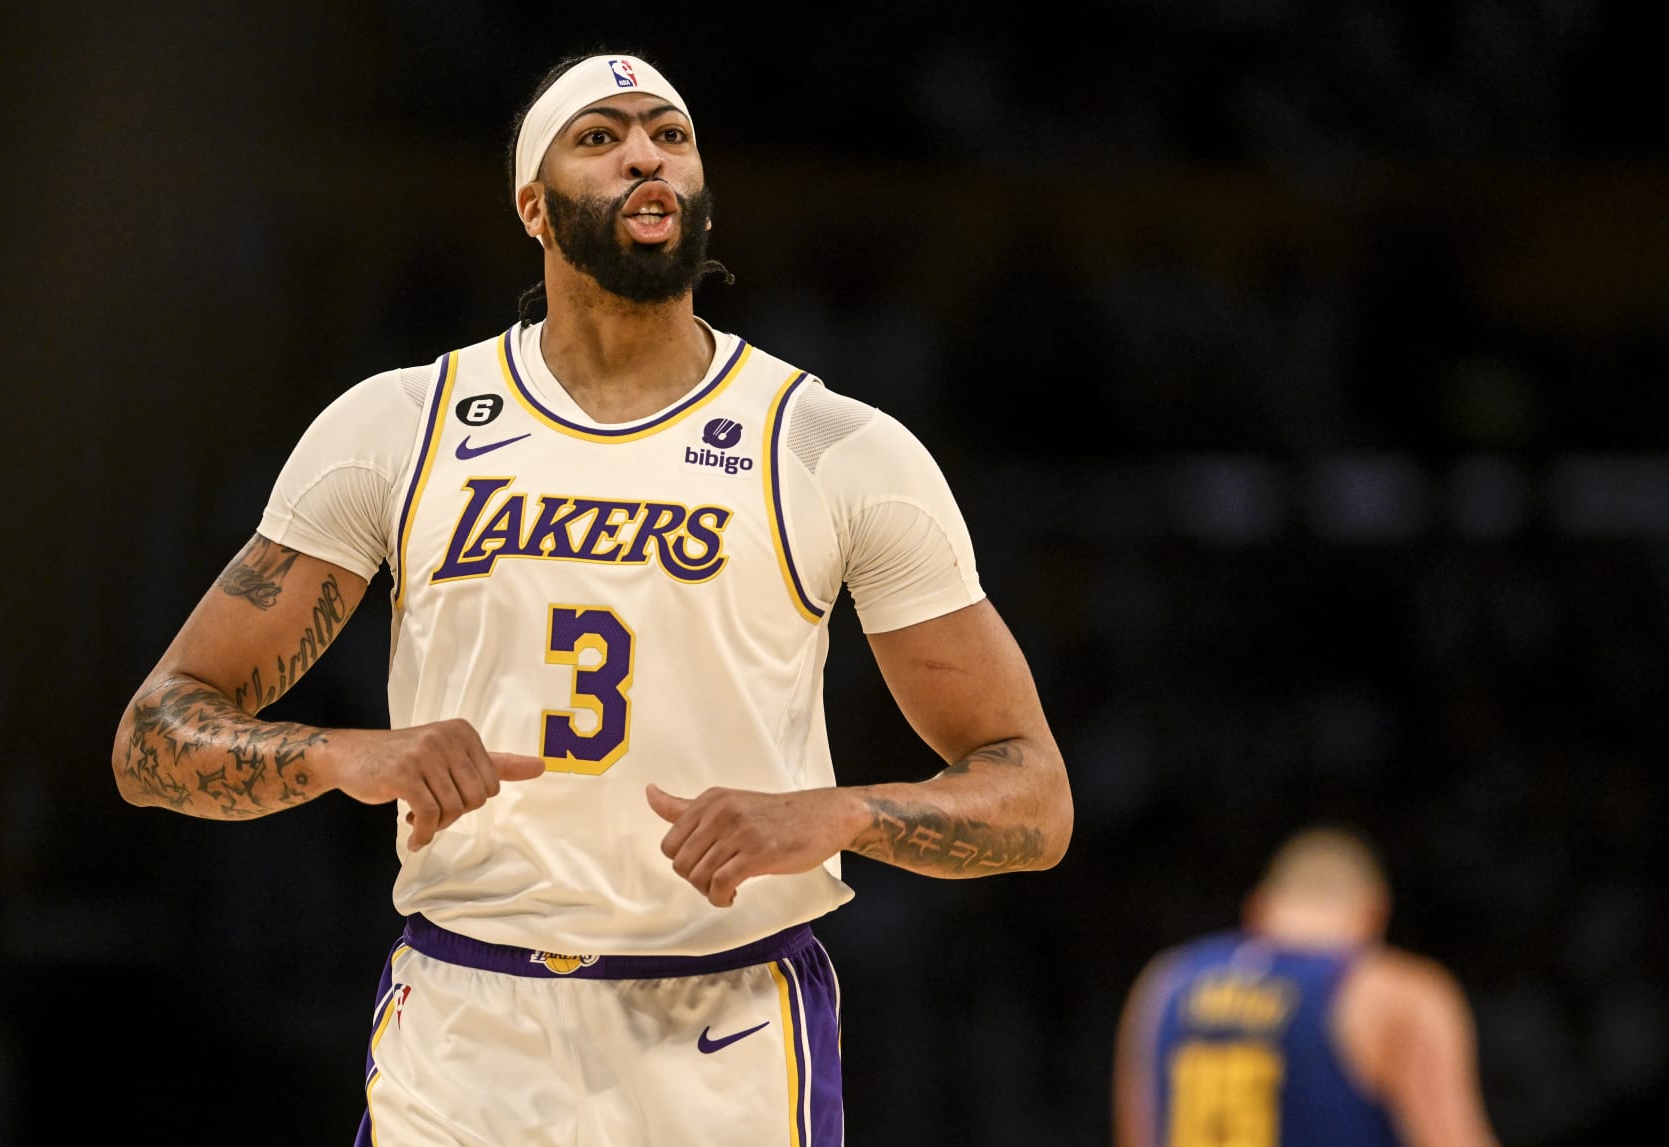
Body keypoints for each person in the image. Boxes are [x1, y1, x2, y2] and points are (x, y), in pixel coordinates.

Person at [111, 47, 1073, 1147]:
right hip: (469, 1024)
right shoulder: (400, 426)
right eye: (601, 137)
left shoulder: (832, 445)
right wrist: (344, 754)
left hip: (726, 1023)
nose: (646, 158)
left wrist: (840, 811)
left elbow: (1035, 799)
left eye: (670, 134)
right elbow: (154, 735)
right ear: (532, 202)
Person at [1112, 824, 1502, 1147]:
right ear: (1375, 912)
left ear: (1259, 908)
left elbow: (1138, 1136)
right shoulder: (1392, 994)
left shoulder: (1164, 981)